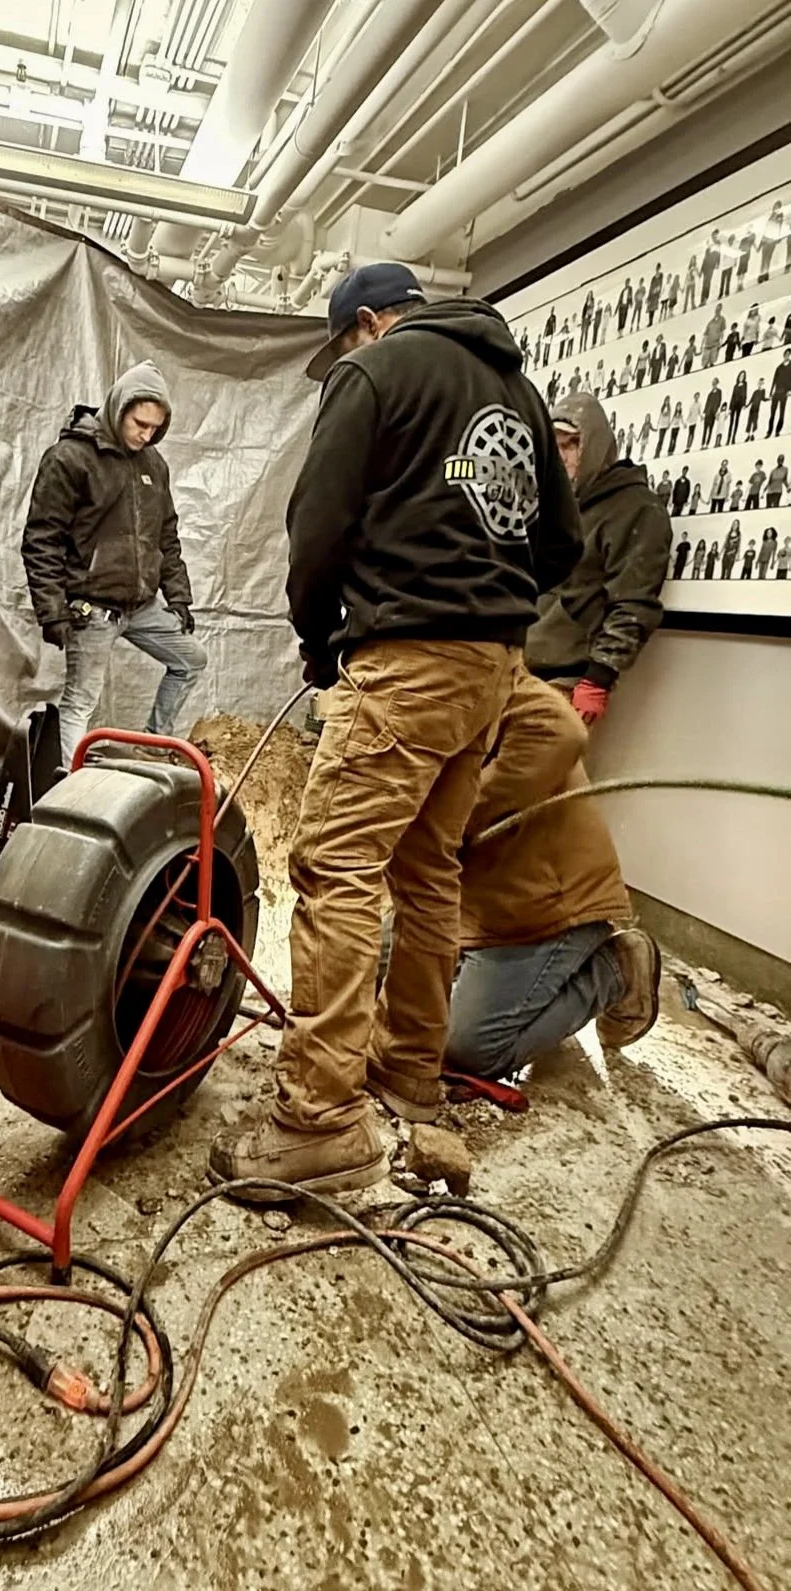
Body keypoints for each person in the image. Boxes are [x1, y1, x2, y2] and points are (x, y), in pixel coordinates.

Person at [209, 263, 582, 1195]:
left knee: (336, 867)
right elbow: (562, 546)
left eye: (342, 339)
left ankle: (318, 1119)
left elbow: (317, 524)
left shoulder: (374, 371)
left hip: (407, 659)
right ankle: (409, 1069)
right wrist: (486, 601)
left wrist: (318, 637)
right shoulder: (519, 392)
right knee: (427, 869)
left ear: (367, 321)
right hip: (491, 668)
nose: (343, 353)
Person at [403, 667, 660, 1083]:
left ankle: (615, 969)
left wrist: (453, 821)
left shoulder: (480, 672)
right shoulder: (405, 686)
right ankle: (518, 990)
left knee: (467, 1048)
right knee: (375, 976)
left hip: (543, 906)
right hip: (473, 898)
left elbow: (561, 734)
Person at [21, 361, 204, 767]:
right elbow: (41, 540)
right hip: (92, 608)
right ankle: (71, 791)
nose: (147, 435)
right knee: (80, 702)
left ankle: (154, 747)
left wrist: (178, 597)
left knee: (191, 661)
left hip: (141, 606)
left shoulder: (154, 465)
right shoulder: (70, 459)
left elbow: (166, 537)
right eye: (140, 424)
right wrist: (52, 610)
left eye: (155, 428)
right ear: (119, 409)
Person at [526, 393, 671, 726]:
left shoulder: (636, 508)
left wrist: (598, 678)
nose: (560, 456)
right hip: (522, 667)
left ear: (594, 445)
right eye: (553, 446)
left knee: (525, 759)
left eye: (571, 444)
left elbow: (634, 603)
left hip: (568, 677)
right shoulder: (556, 504)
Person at [757, 201, 783, 284]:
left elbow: (779, 227)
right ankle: (761, 275)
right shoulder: (770, 216)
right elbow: (766, 229)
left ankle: (765, 274)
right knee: (764, 258)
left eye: (777, 207)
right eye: (775, 207)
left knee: (768, 258)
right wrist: (761, 242)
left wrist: (778, 237)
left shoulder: (779, 216)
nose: (775, 208)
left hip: (772, 240)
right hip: (766, 240)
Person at [768, 349, 791, 435]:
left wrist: (790, 390)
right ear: (784, 355)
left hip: (784, 393)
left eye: (789, 354)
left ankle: (777, 431)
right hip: (776, 393)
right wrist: (771, 393)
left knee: (781, 413)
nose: (787, 355)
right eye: (786, 354)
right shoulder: (779, 367)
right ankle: (769, 431)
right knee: (772, 413)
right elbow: (774, 380)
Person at [727, 371, 749, 445]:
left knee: (736, 421)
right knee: (731, 423)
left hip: (739, 405)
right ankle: (728, 439)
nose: (741, 377)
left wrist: (744, 404)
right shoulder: (735, 386)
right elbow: (732, 396)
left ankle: (733, 438)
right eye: (740, 375)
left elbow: (745, 395)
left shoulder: (744, 385)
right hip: (733, 405)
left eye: (743, 376)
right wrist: (730, 408)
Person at [700, 233, 722, 305]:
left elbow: (718, 254)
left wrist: (717, 264)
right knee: (705, 285)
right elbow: (704, 261)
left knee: (707, 285)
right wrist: (701, 272)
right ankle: (703, 300)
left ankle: (704, 300)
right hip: (706, 270)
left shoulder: (715, 252)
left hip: (709, 270)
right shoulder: (709, 253)